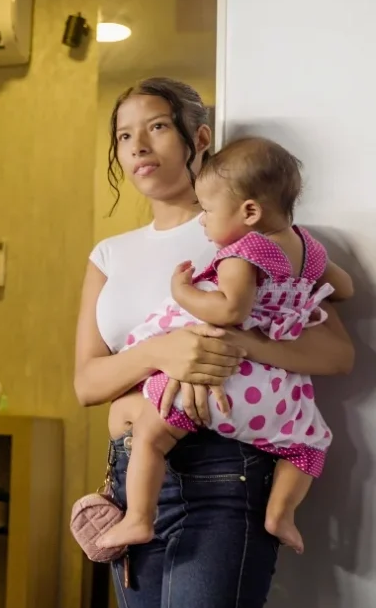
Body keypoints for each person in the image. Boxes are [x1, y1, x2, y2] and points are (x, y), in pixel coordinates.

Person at [74, 78, 354, 608]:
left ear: (199, 138)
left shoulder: (243, 233)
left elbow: (336, 354)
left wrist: (236, 348)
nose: (138, 145)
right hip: (131, 477)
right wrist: (163, 351)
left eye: (157, 127)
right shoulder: (108, 256)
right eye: (123, 135)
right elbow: (88, 385)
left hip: (223, 477)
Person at [97, 137, 354, 555]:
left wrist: (182, 292)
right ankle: (281, 515)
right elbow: (343, 288)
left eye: (208, 211)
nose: (202, 221)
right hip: (281, 390)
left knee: (150, 434)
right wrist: (299, 294)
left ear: (249, 212)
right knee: (308, 446)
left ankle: (138, 520)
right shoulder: (309, 250)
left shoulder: (245, 251)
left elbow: (230, 310)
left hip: (230, 379)